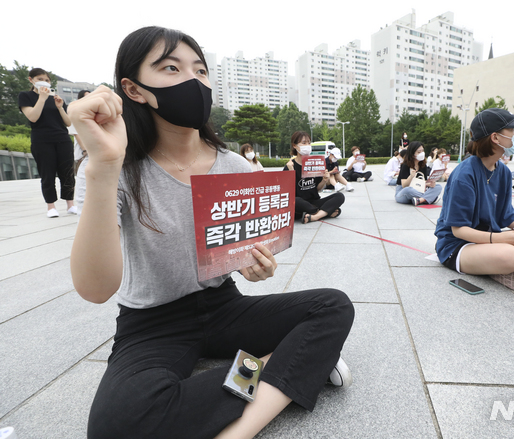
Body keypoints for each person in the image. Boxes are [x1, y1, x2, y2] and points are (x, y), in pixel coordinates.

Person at [68, 27, 354, 439]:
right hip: (152, 322)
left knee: (332, 306)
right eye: (171, 68)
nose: (194, 81)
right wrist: (105, 167)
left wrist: (254, 264)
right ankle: (289, 363)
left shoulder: (234, 165)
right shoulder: (114, 167)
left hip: (224, 307)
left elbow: (239, 247)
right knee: (119, 423)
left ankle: (245, 420)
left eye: (201, 71)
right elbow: (95, 289)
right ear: (133, 89)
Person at [435, 108, 514, 292]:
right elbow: (458, 230)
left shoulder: (503, 171)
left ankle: (506, 268)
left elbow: (507, 218)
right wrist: (500, 238)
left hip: (491, 240)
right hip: (458, 247)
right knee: (512, 256)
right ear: (495, 138)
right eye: (512, 130)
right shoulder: (464, 175)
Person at [18, 68, 76, 217]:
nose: (44, 82)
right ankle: (51, 206)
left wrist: (60, 108)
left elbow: (68, 123)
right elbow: (33, 117)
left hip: (62, 139)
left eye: (47, 80)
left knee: (67, 173)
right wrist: (42, 98)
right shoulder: (26, 96)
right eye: (40, 79)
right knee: (47, 174)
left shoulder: (55, 98)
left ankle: (70, 204)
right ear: (31, 80)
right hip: (42, 141)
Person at [284, 131, 345, 223]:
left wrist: (324, 180)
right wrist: (291, 172)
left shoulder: (314, 164)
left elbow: (317, 189)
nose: (307, 145)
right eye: (304, 143)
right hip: (300, 204)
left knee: (340, 196)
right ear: (294, 145)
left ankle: (314, 216)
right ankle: (325, 212)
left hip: (314, 201)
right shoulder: (290, 166)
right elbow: (287, 193)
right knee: (295, 200)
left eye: (309, 143)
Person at [395, 141, 443, 206]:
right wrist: (411, 177)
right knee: (408, 190)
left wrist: (430, 184)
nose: (422, 153)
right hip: (403, 192)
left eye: (422, 151)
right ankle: (429, 198)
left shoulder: (423, 165)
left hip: (419, 189)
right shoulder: (405, 165)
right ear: (412, 154)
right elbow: (404, 185)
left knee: (438, 187)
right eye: (418, 152)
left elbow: (424, 182)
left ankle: (420, 200)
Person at [70, 90, 91, 216]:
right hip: (82, 155)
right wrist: (85, 150)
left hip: (92, 154)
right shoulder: (75, 114)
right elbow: (76, 134)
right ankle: (82, 210)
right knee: (83, 184)